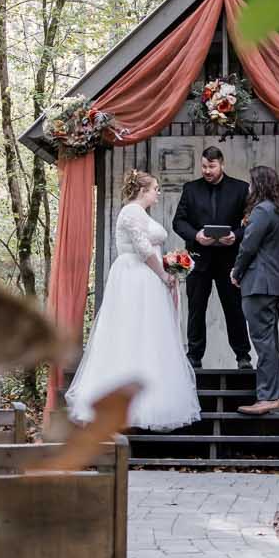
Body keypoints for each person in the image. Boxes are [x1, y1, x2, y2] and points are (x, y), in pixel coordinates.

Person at [68, 169, 202, 430]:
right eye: (155, 189)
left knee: (149, 334)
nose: (158, 193)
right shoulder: (131, 212)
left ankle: (151, 396)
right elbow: (142, 249)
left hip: (146, 275)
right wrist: (164, 274)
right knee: (131, 330)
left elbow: (151, 247)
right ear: (143, 191)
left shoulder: (141, 213)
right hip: (134, 275)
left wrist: (172, 266)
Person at [169, 145, 252, 371]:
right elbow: (179, 222)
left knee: (235, 310)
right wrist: (196, 235)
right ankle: (194, 358)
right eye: (204, 166)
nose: (207, 171)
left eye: (211, 166)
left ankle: (243, 356)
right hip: (198, 260)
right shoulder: (190, 189)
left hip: (230, 261)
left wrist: (235, 235)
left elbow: (251, 222)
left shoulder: (241, 189)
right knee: (196, 310)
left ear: (222, 165)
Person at [231, 164, 279, 416]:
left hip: (259, 284)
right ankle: (272, 396)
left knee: (264, 343)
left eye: (252, 183)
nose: (249, 188)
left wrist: (236, 271)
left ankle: (268, 397)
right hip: (273, 283)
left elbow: (248, 246)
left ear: (259, 185)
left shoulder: (261, 211)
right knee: (270, 342)